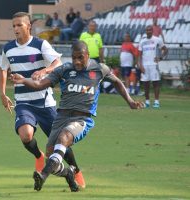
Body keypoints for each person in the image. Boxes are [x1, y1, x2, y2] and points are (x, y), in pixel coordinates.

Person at [11, 41, 143, 192]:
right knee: (51, 155)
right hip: (61, 117)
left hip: (82, 119)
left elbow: (117, 82)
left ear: (87, 55)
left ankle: (43, 175)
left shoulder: (100, 69)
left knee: (64, 137)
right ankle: (68, 173)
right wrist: (23, 80)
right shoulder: (64, 70)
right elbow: (40, 85)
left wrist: (130, 101)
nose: (77, 62)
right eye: (74, 58)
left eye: (80, 57)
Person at [0, 12, 86, 188]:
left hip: (45, 103)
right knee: (26, 135)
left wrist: (44, 71)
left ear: (28, 26)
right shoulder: (8, 48)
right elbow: (3, 69)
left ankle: (76, 171)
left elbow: (58, 63)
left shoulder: (40, 44)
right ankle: (38, 156)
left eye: (19, 25)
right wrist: (2, 93)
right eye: (13, 25)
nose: (15, 29)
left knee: (61, 142)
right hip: (23, 102)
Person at [138, 25, 168, 108]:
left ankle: (156, 102)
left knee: (156, 83)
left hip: (153, 65)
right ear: (145, 31)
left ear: (152, 31)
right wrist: (140, 66)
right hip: (145, 65)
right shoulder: (142, 41)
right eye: (147, 30)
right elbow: (139, 56)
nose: (149, 31)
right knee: (146, 84)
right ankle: (147, 101)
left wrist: (160, 58)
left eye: (150, 30)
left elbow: (165, 49)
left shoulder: (157, 39)